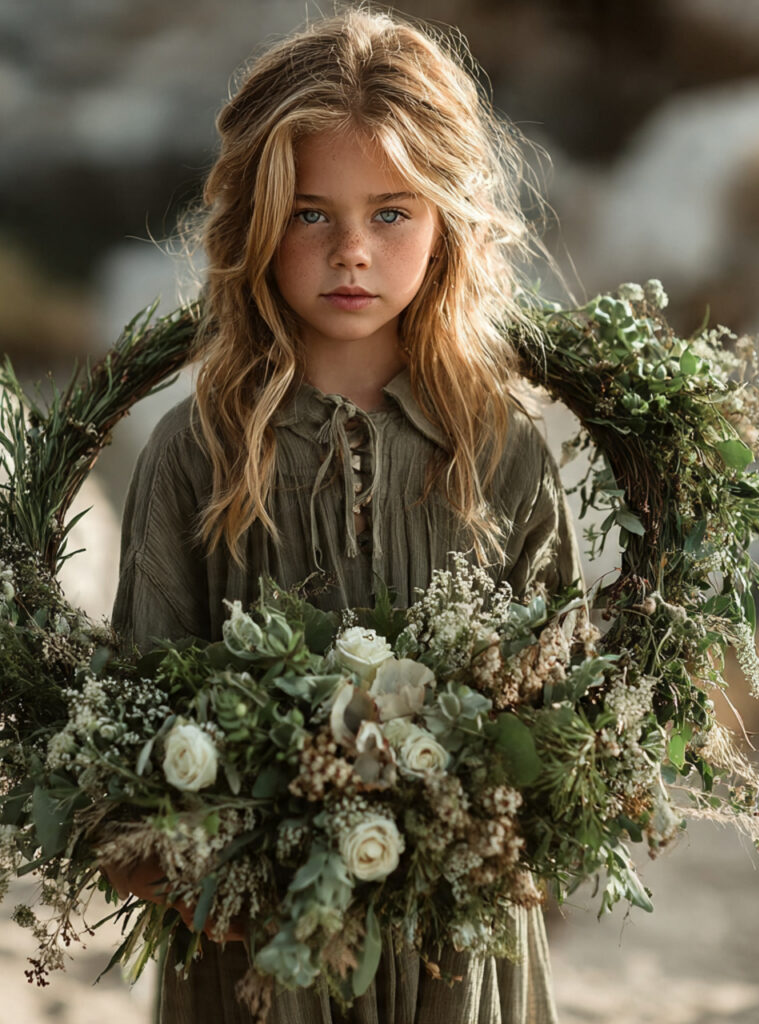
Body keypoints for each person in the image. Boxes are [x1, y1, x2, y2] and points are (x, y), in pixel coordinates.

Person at [108, 8, 582, 1023]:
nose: (351, 252)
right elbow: (141, 692)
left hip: (456, 937)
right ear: (257, 224)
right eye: (311, 214)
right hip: (256, 941)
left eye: (391, 213)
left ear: (448, 218)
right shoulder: (199, 452)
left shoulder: (498, 448)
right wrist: (172, 852)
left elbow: (558, 690)